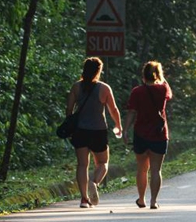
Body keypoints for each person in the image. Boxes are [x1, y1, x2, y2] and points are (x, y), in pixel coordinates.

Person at [66, 57, 122, 208]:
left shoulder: (76, 87)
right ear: (99, 71)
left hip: (80, 131)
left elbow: (69, 110)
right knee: (103, 162)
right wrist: (118, 125)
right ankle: (94, 182)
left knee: (82, 165)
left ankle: (84, 199)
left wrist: (71, 127)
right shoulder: (104, 88)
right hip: (98, 131)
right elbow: (113, 110)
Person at [124, 61, 173, 210]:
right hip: (159, 134)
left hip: (141, 134)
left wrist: (125, 130)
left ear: (143, 75)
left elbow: (132, 112)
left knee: (142, 169)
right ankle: (153, 201)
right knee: (156, 170)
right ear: (157, 74)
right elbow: (169, 91)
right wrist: (161, 76)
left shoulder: (137, 91)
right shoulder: (163, 89)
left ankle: (141, 199)